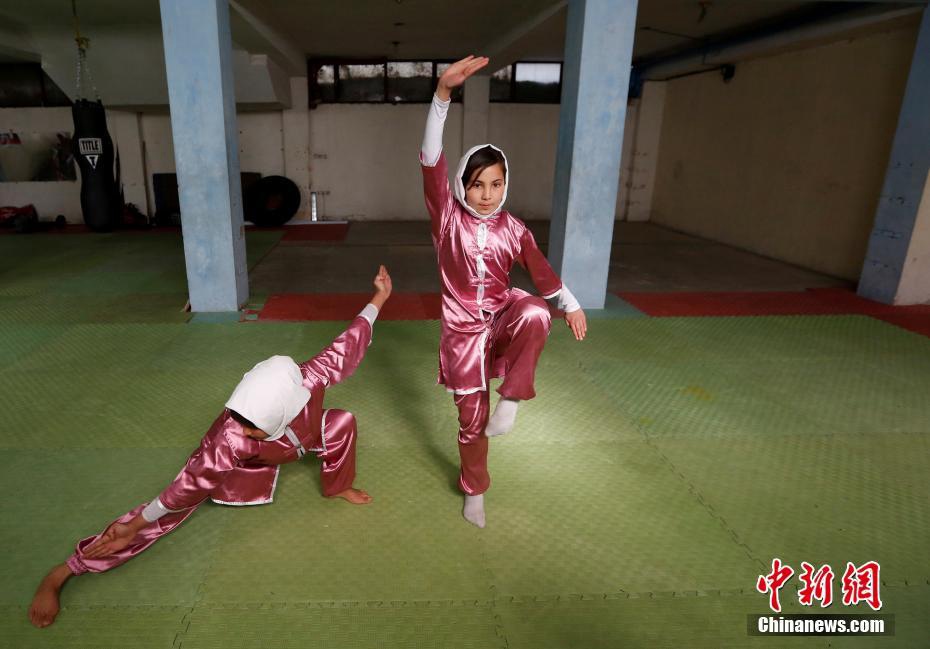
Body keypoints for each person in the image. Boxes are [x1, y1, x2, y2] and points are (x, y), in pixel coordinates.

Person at [28, 265, 393, 628]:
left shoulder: (311, 377)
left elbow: (353, 336)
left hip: (300, 439)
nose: (247, 431)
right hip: (249, 464)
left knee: (342, 421)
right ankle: (65, 571)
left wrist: (380, 295)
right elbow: (176, 494)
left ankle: (339, 485)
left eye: (256, 428)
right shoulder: (231, 439)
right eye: (245, 424)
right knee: (171, 509)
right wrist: (135, 524)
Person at [420, 56, 587, 528]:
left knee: (535, 311)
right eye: (477, 185)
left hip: (502, 316)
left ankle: (513, 397)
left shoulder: (513, 228)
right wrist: (442, 95)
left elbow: (541, 271)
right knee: (471, 421)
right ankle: (474, 490)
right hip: (461, 336)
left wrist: (570, 303)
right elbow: (430, 159)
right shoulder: (446, 219)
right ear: (462, 187)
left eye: (496, 184)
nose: (488, 194)